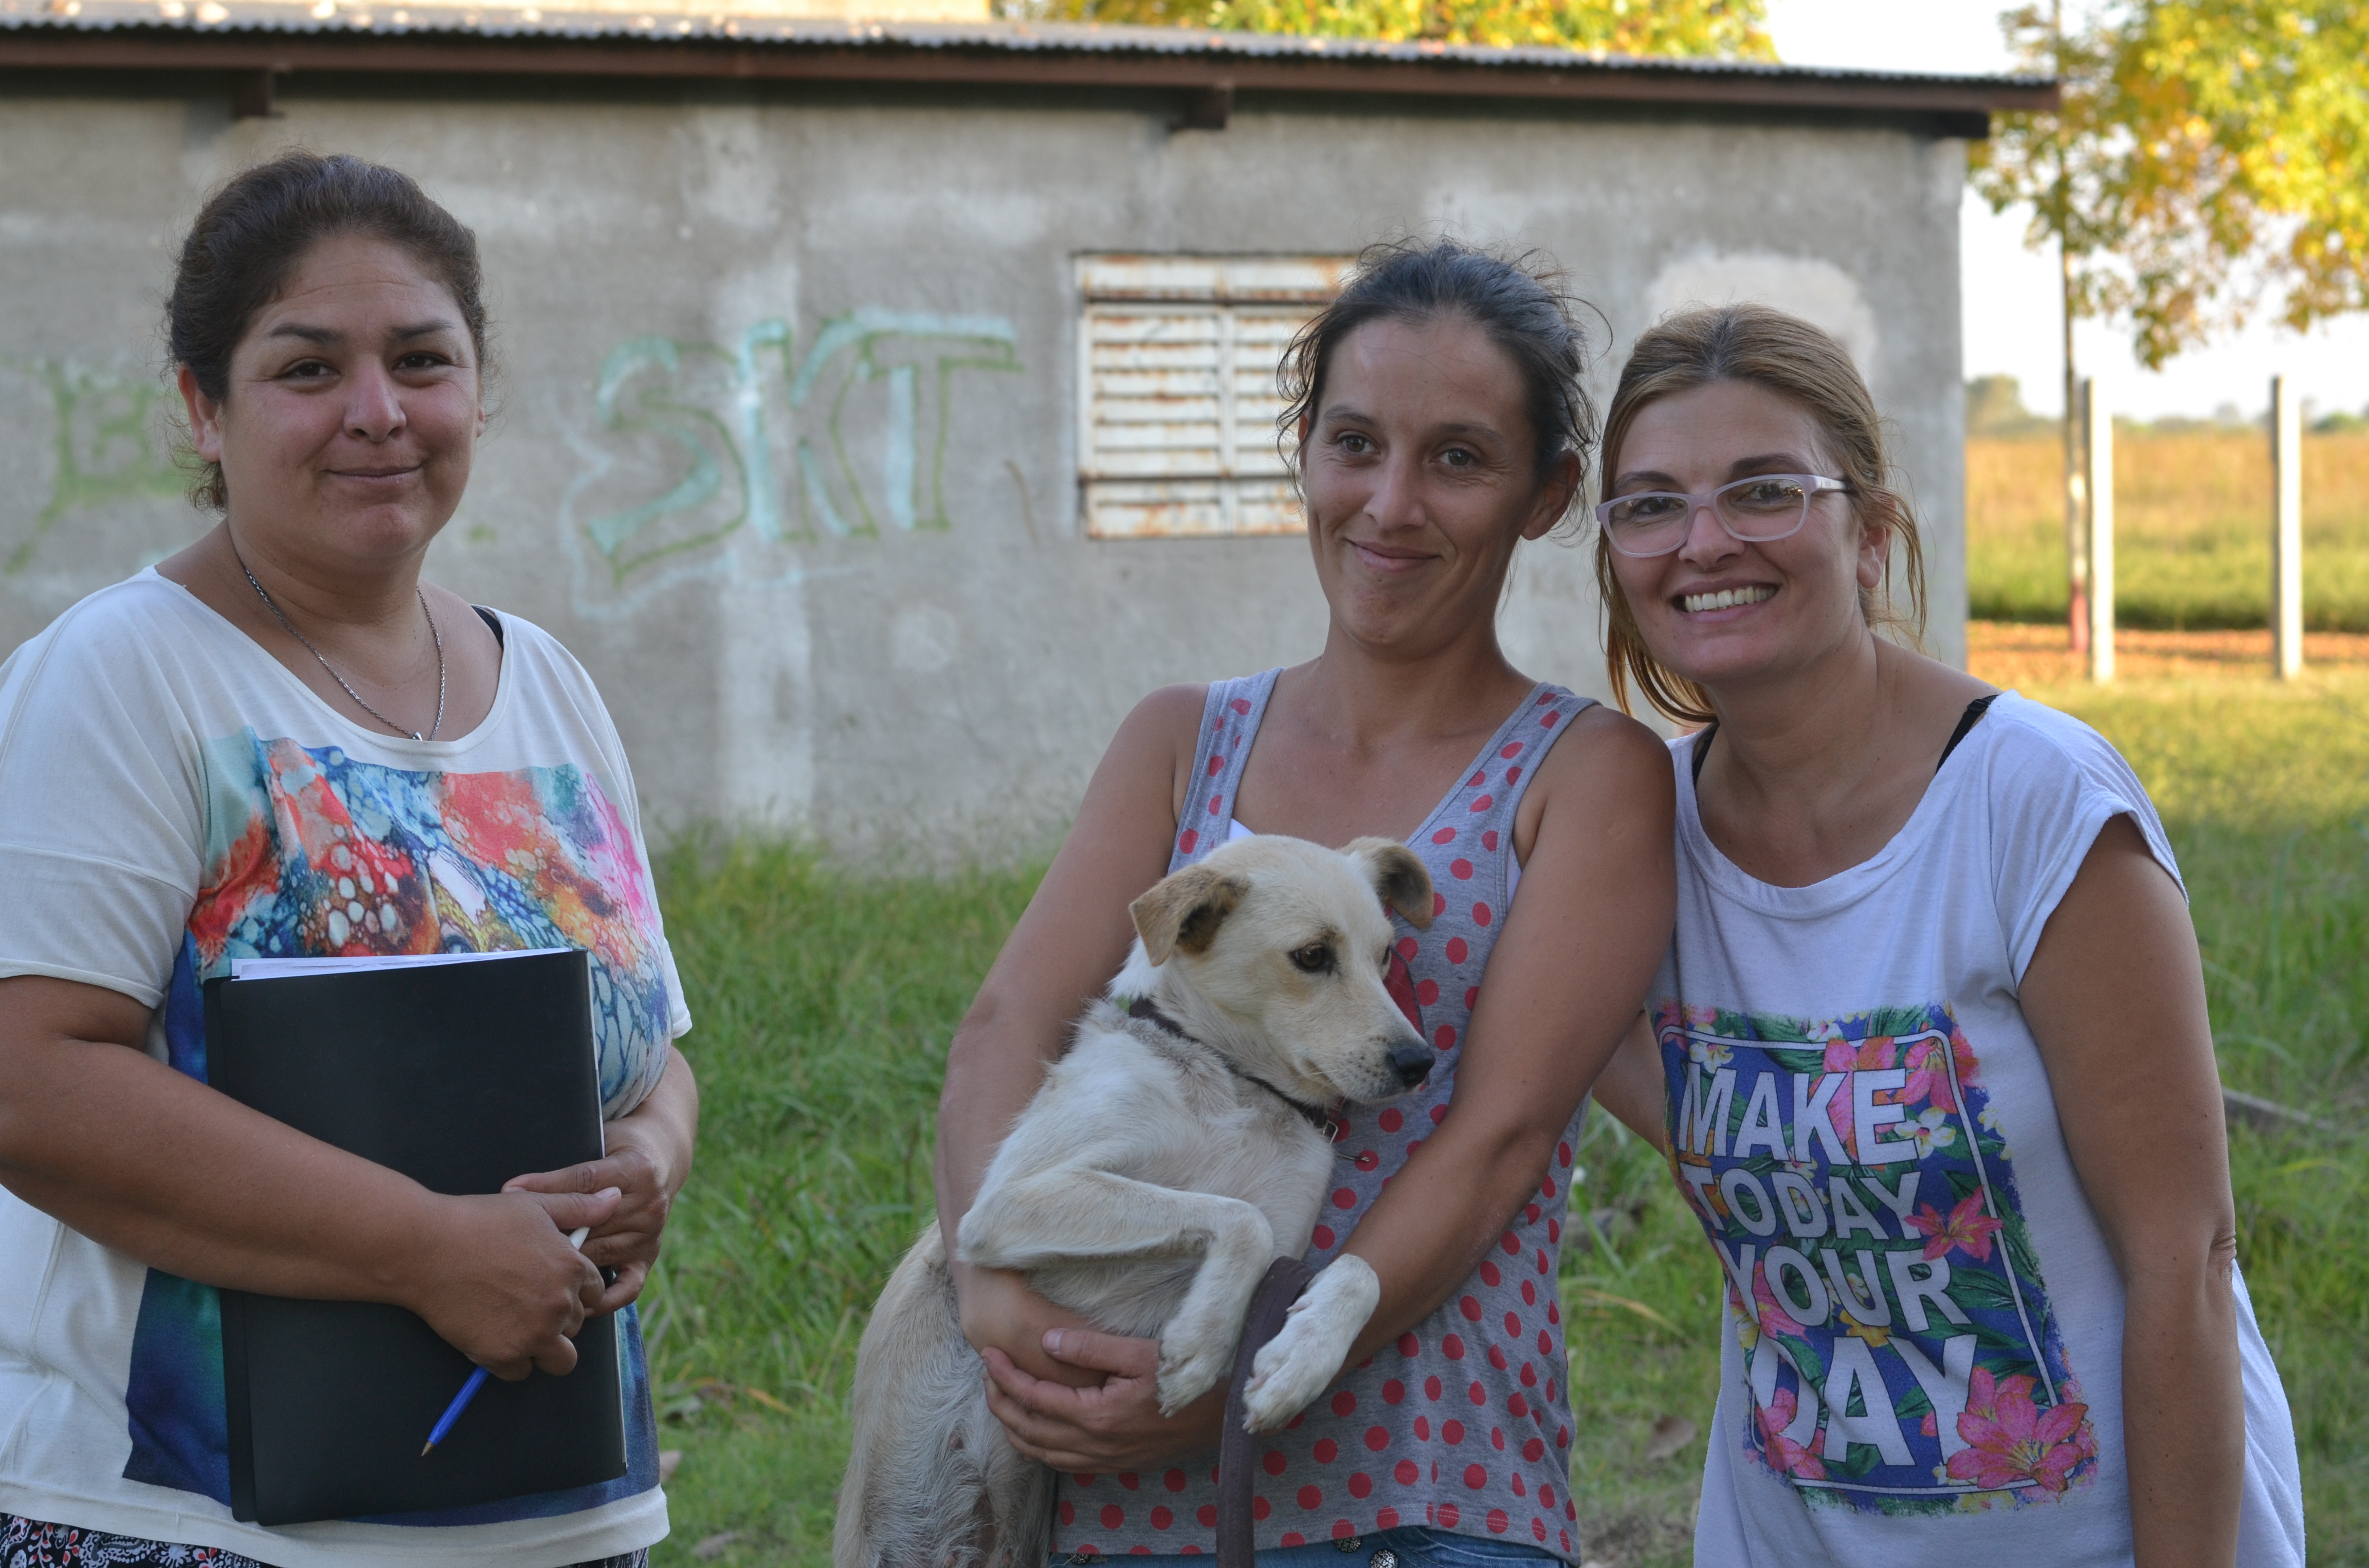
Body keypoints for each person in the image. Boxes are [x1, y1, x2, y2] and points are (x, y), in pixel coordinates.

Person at [0, 152, 697, 1567]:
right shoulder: (127, 674)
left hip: (562, 1514)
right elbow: (31, 1078)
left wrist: (648, 1158)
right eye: (307, 368)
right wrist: (425, 1248)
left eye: (421, 361)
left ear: (477, 391)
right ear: (205, 405)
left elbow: (651, 1048)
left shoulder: (546, 682)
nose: (377, 413)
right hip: (195, 1526)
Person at [932, 241, 1675, 1566]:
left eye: (1457, 458)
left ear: (1547, 495)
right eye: (1354, 443)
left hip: (1419, 1474)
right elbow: (1008, 1025)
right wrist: (1003, 1307)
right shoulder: (1181, 741)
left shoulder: (1583, 777)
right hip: (1123, 1483)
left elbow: (1496, 1139)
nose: (1389, 504)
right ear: (1305, 454)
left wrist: (1239, 1375)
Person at [1583, 304, 2306, 1566]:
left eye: (1763, 490)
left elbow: (2183, 1258)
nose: (1703, 542)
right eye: (1650, 505)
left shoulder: (2031, 803)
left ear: (1870, 536)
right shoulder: (1634, 839)